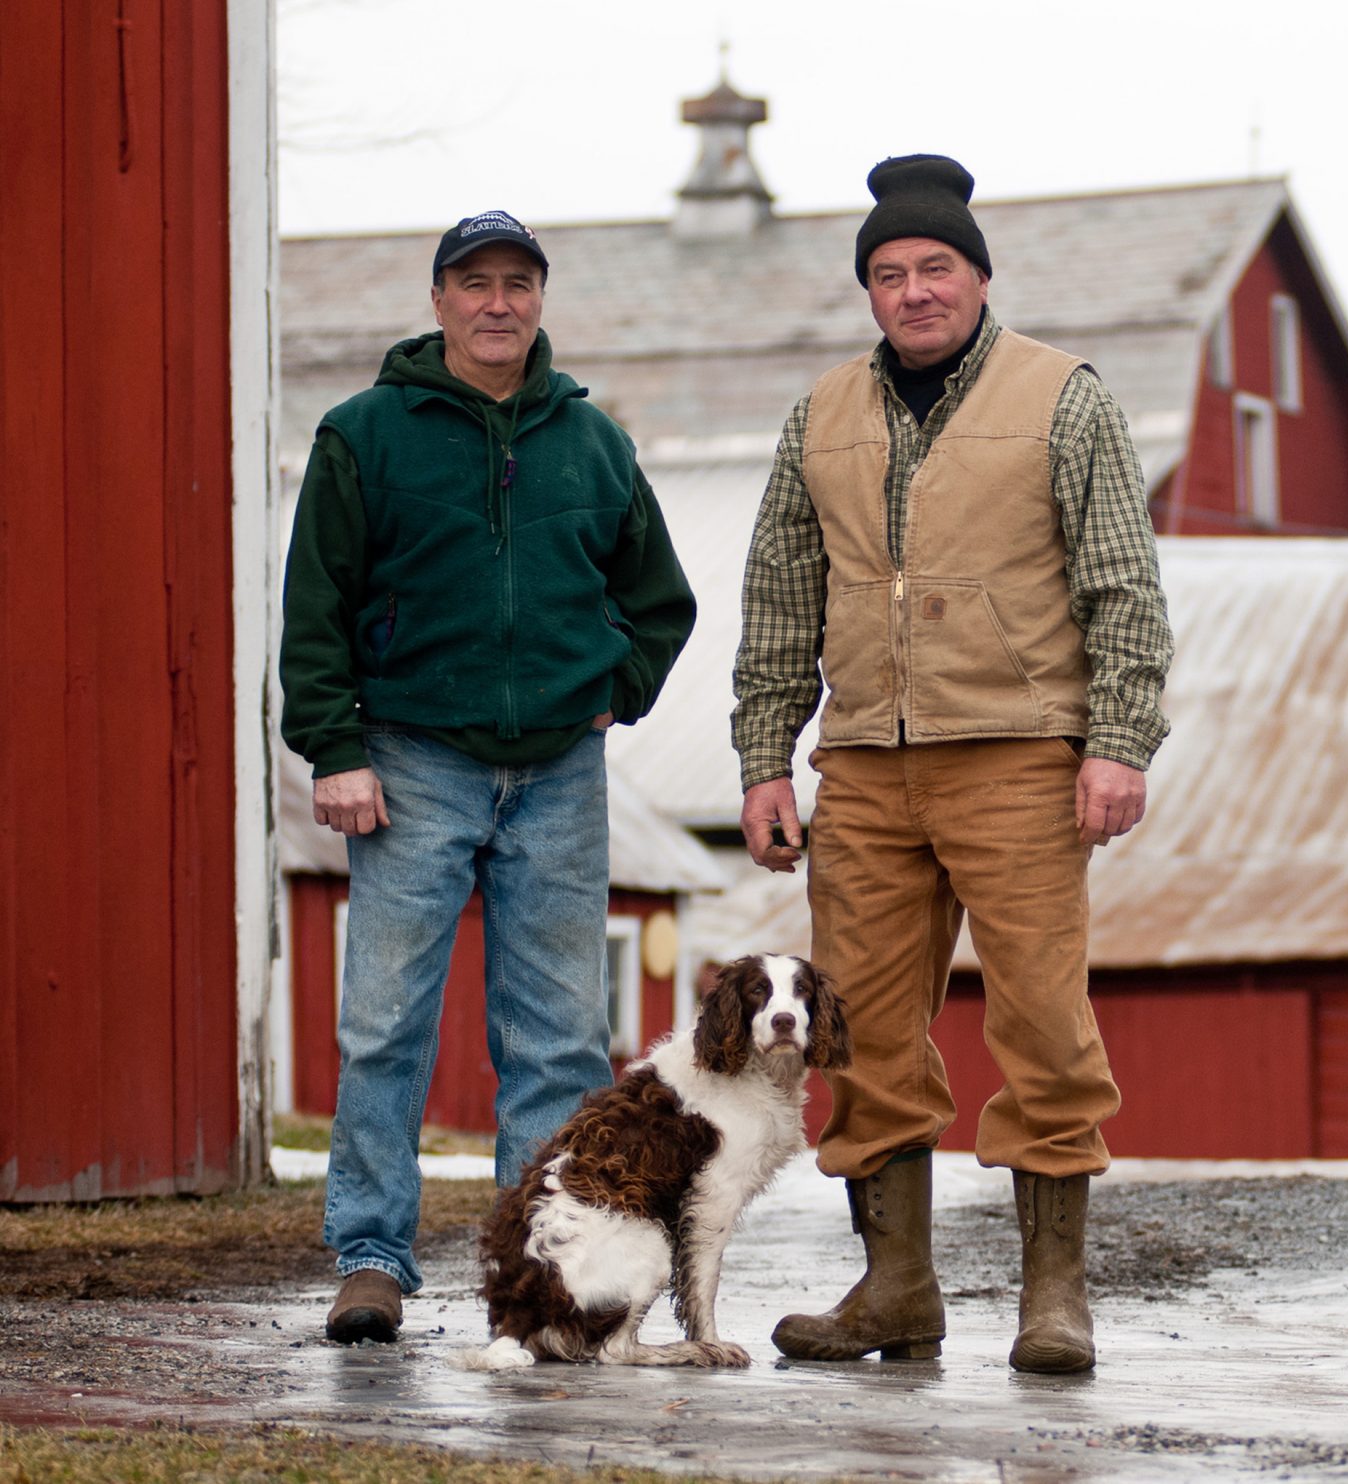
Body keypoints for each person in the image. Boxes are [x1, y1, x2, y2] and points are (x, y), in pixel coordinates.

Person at [731, 156, 1174, 1373]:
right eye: (890, 273)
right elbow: (779, 595)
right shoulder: (819, 414)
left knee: (1040, 1020)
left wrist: (1118, 741)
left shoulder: (1062, 398)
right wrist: (765, 756)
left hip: (1023, 756)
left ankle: (1053, 1298)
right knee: (862, 1027)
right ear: (868, 292)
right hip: (867, 763)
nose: (915, 290)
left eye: (936, 267)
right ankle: (897, 1288)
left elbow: (1124, 585)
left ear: (979, 276)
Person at [280, 210, 696, 1345]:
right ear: (440, 302)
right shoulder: (364, 435)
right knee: (383, 1024)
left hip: (559, 765)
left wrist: (623, 680)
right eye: (475, 284)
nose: (496, 302)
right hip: (413, 757)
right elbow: (313, 606)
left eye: (518, 282)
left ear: (540, 301)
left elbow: (660, 598)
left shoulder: (589, 439)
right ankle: (372, 1256)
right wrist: (336, 745)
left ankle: (546, 1269)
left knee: (559, 1034)